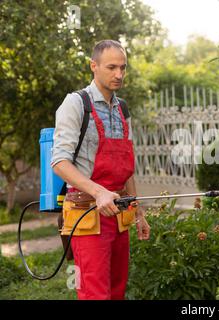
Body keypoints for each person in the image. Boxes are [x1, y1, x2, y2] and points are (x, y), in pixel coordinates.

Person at [51, 39, 151, 300]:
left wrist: (138, 211)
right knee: (95, 294)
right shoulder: (76, 104)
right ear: (93, 66)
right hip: (87, 214)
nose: (119, 74)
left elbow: (126, 166)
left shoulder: (122, 108)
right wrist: (99, 192)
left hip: (119, 214)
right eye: (111, 67)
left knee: (117, 291)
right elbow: (59, 162)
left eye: (123, 68)